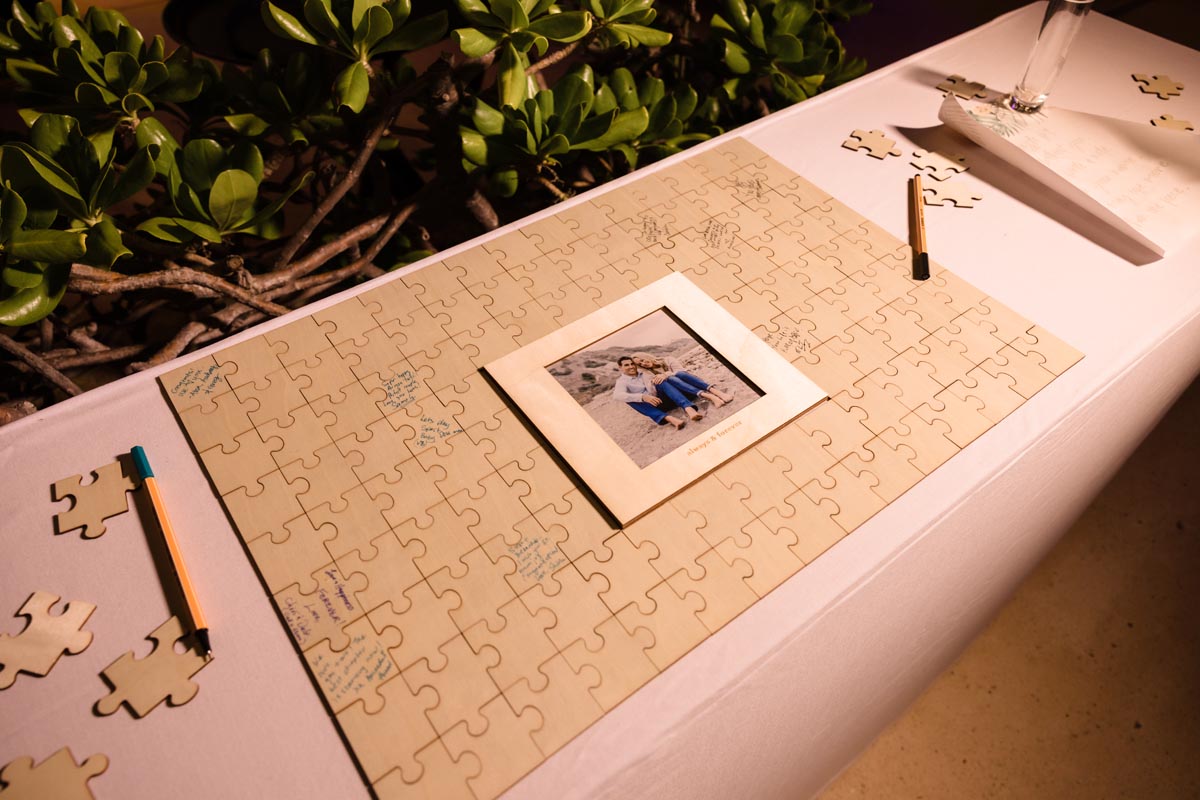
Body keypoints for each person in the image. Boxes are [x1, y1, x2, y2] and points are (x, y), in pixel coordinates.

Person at [612, 355, 703, 430]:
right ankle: (669, 418)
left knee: (659, 381)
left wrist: (662, 375)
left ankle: (688, 408)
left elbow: (661, 370)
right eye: (626, 365)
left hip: (667, 397)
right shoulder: (622, 381)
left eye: (632, 364)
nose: (631, 366)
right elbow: (617, 395)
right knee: (629, 400)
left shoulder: (643, 372)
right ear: (620, 368)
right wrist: (642, 397)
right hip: (655, 406)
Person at [631, 352, 733, 408]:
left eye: (642, 360)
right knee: (670, 379)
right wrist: (656, 380)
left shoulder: (668, 359)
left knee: (679, 374)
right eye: (640, 364)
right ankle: (710, 396)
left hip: (689, 387)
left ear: (646, 356)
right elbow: (653, 392)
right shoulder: (646, 374)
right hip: (678, 395)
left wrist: (665, 374)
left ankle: (717, 392)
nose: (643, 364)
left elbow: (681, 371)